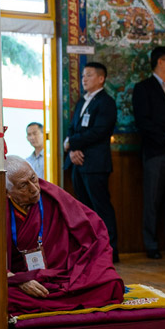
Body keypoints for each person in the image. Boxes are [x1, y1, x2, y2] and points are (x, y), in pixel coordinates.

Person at [5, 156, 124, 316]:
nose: (34, 189)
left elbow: (94, 229)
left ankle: (57, 300)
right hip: (23, 277)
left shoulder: (52, 194)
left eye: (34, 178)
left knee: (110, 284)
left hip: (64, 273)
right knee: (4, 296)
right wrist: (18, 280)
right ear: (7, 192)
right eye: (23, 186)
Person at [64, 61, 119, 263]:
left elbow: (99, 131)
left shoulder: (106, 102)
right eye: (83, 76)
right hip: (78, 163)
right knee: (84, 208)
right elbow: (73, 128)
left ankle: (110, 251)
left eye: (88, 75)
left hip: (95, 164)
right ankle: (90, 250)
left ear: (101, 78)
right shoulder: (82, 101)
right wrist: (72, 150)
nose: (84, 79)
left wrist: (72, 143)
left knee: (101, 207)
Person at [133, 46, 165, 259]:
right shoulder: (144, 88)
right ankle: (151, 244)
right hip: (156, 151)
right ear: (161, 62)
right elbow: (142, 121)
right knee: (152, 200)